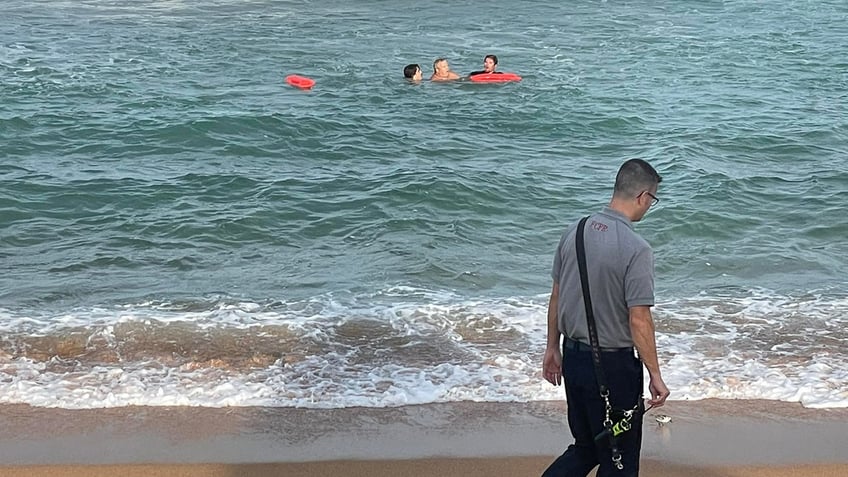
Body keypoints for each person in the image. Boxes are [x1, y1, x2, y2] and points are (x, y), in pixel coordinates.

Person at [541, 159, 670, 477]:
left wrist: (552, 348)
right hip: (613, 368)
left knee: (586, 446)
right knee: (619, 456)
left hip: (573, 358)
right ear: (643, 197)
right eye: (652, 200)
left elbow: (557, 296)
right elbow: (639, 319)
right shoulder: (637, 248)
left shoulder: (574, 231)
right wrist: (655, 374)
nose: (649, 207)